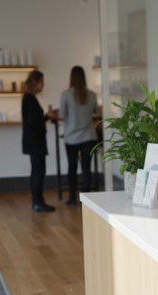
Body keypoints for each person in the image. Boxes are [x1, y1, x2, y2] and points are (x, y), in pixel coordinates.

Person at [58, 66, 99, 205]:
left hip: (71, 137)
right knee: (86, 168)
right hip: (88, 136)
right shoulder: (92, 94)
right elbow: (95, 113)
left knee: (72, 167)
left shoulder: (66, 94)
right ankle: (86, 200)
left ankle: (72, 198)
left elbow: (62, 113)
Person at [22, 70, 59, 212]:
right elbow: (34, 122)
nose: (43, 85)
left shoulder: (28, 98)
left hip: (33, 142)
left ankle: (38, 201)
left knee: (36, 171)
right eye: (42, 82)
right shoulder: (29, 99)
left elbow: (33, 120)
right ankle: (38, 201)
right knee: (38, 171)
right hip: (35, 143)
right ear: (36, 83)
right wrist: (47, 116)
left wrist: (46, 116)